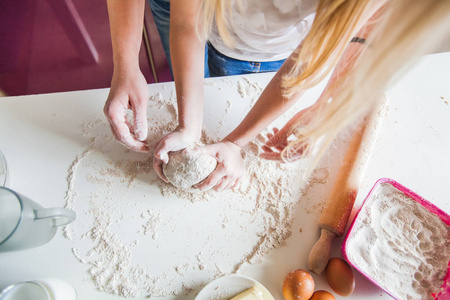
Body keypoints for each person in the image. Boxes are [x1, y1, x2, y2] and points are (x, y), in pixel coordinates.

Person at [104, 0, 450, 192]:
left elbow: (323, 49)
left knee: (229, 74)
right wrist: (189, 125)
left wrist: (238, 142)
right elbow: (186, 24)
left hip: (261, 46)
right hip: (177, 10)